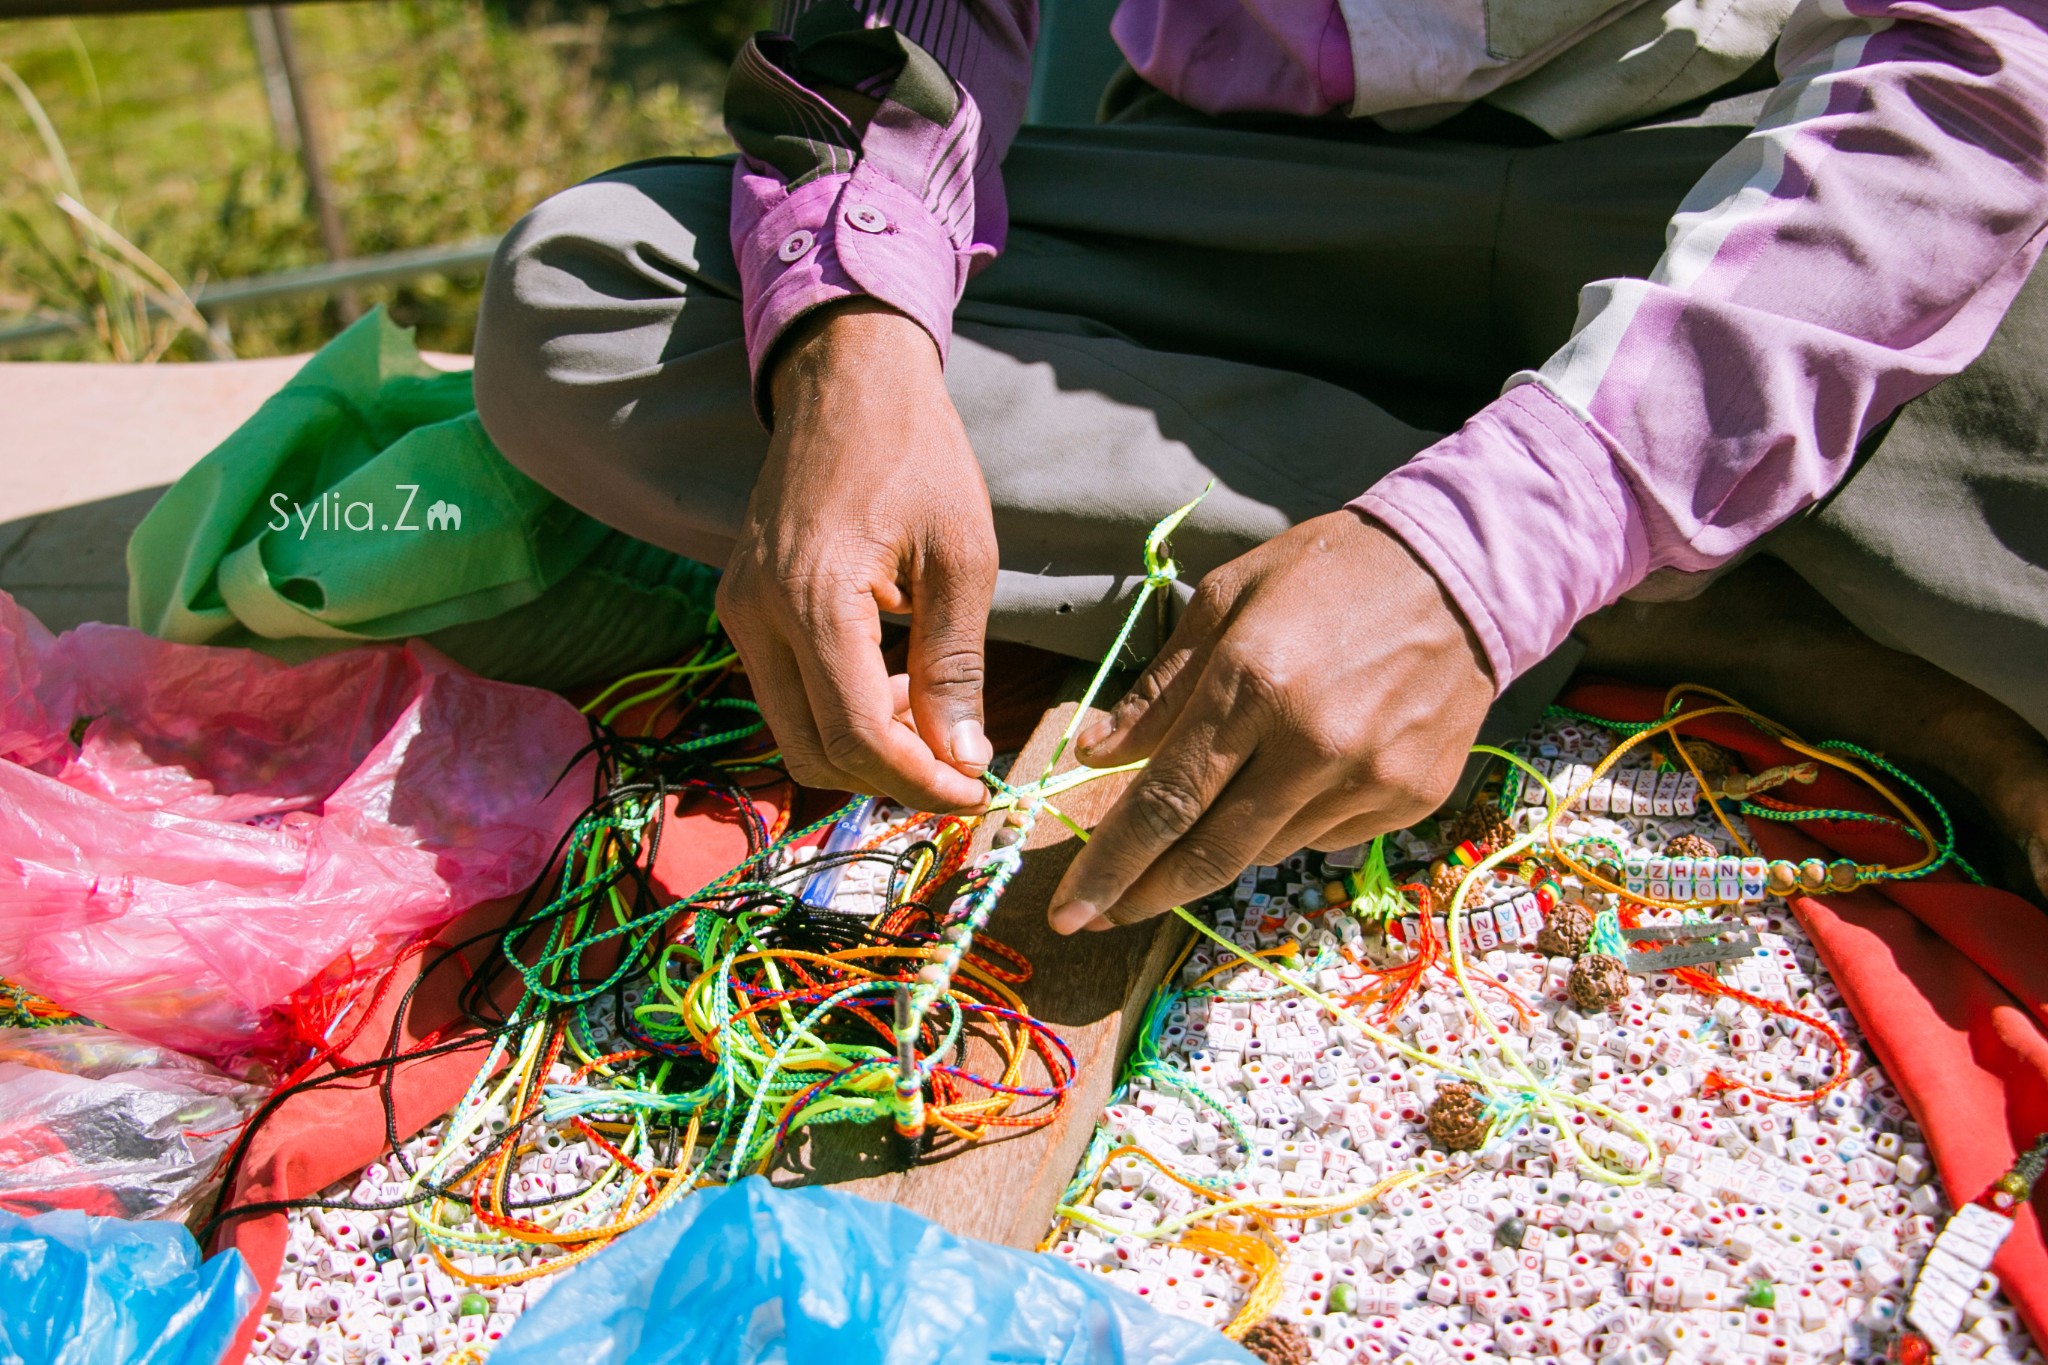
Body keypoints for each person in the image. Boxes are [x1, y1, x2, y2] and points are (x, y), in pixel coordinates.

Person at [472, 0, 2048, 932]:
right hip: (1232, 189)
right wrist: (856, 334)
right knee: (594, 301)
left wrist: (1485, 548)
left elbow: (1973, 87)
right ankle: (1697, 612)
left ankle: (1521, 554)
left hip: (1749, 177)